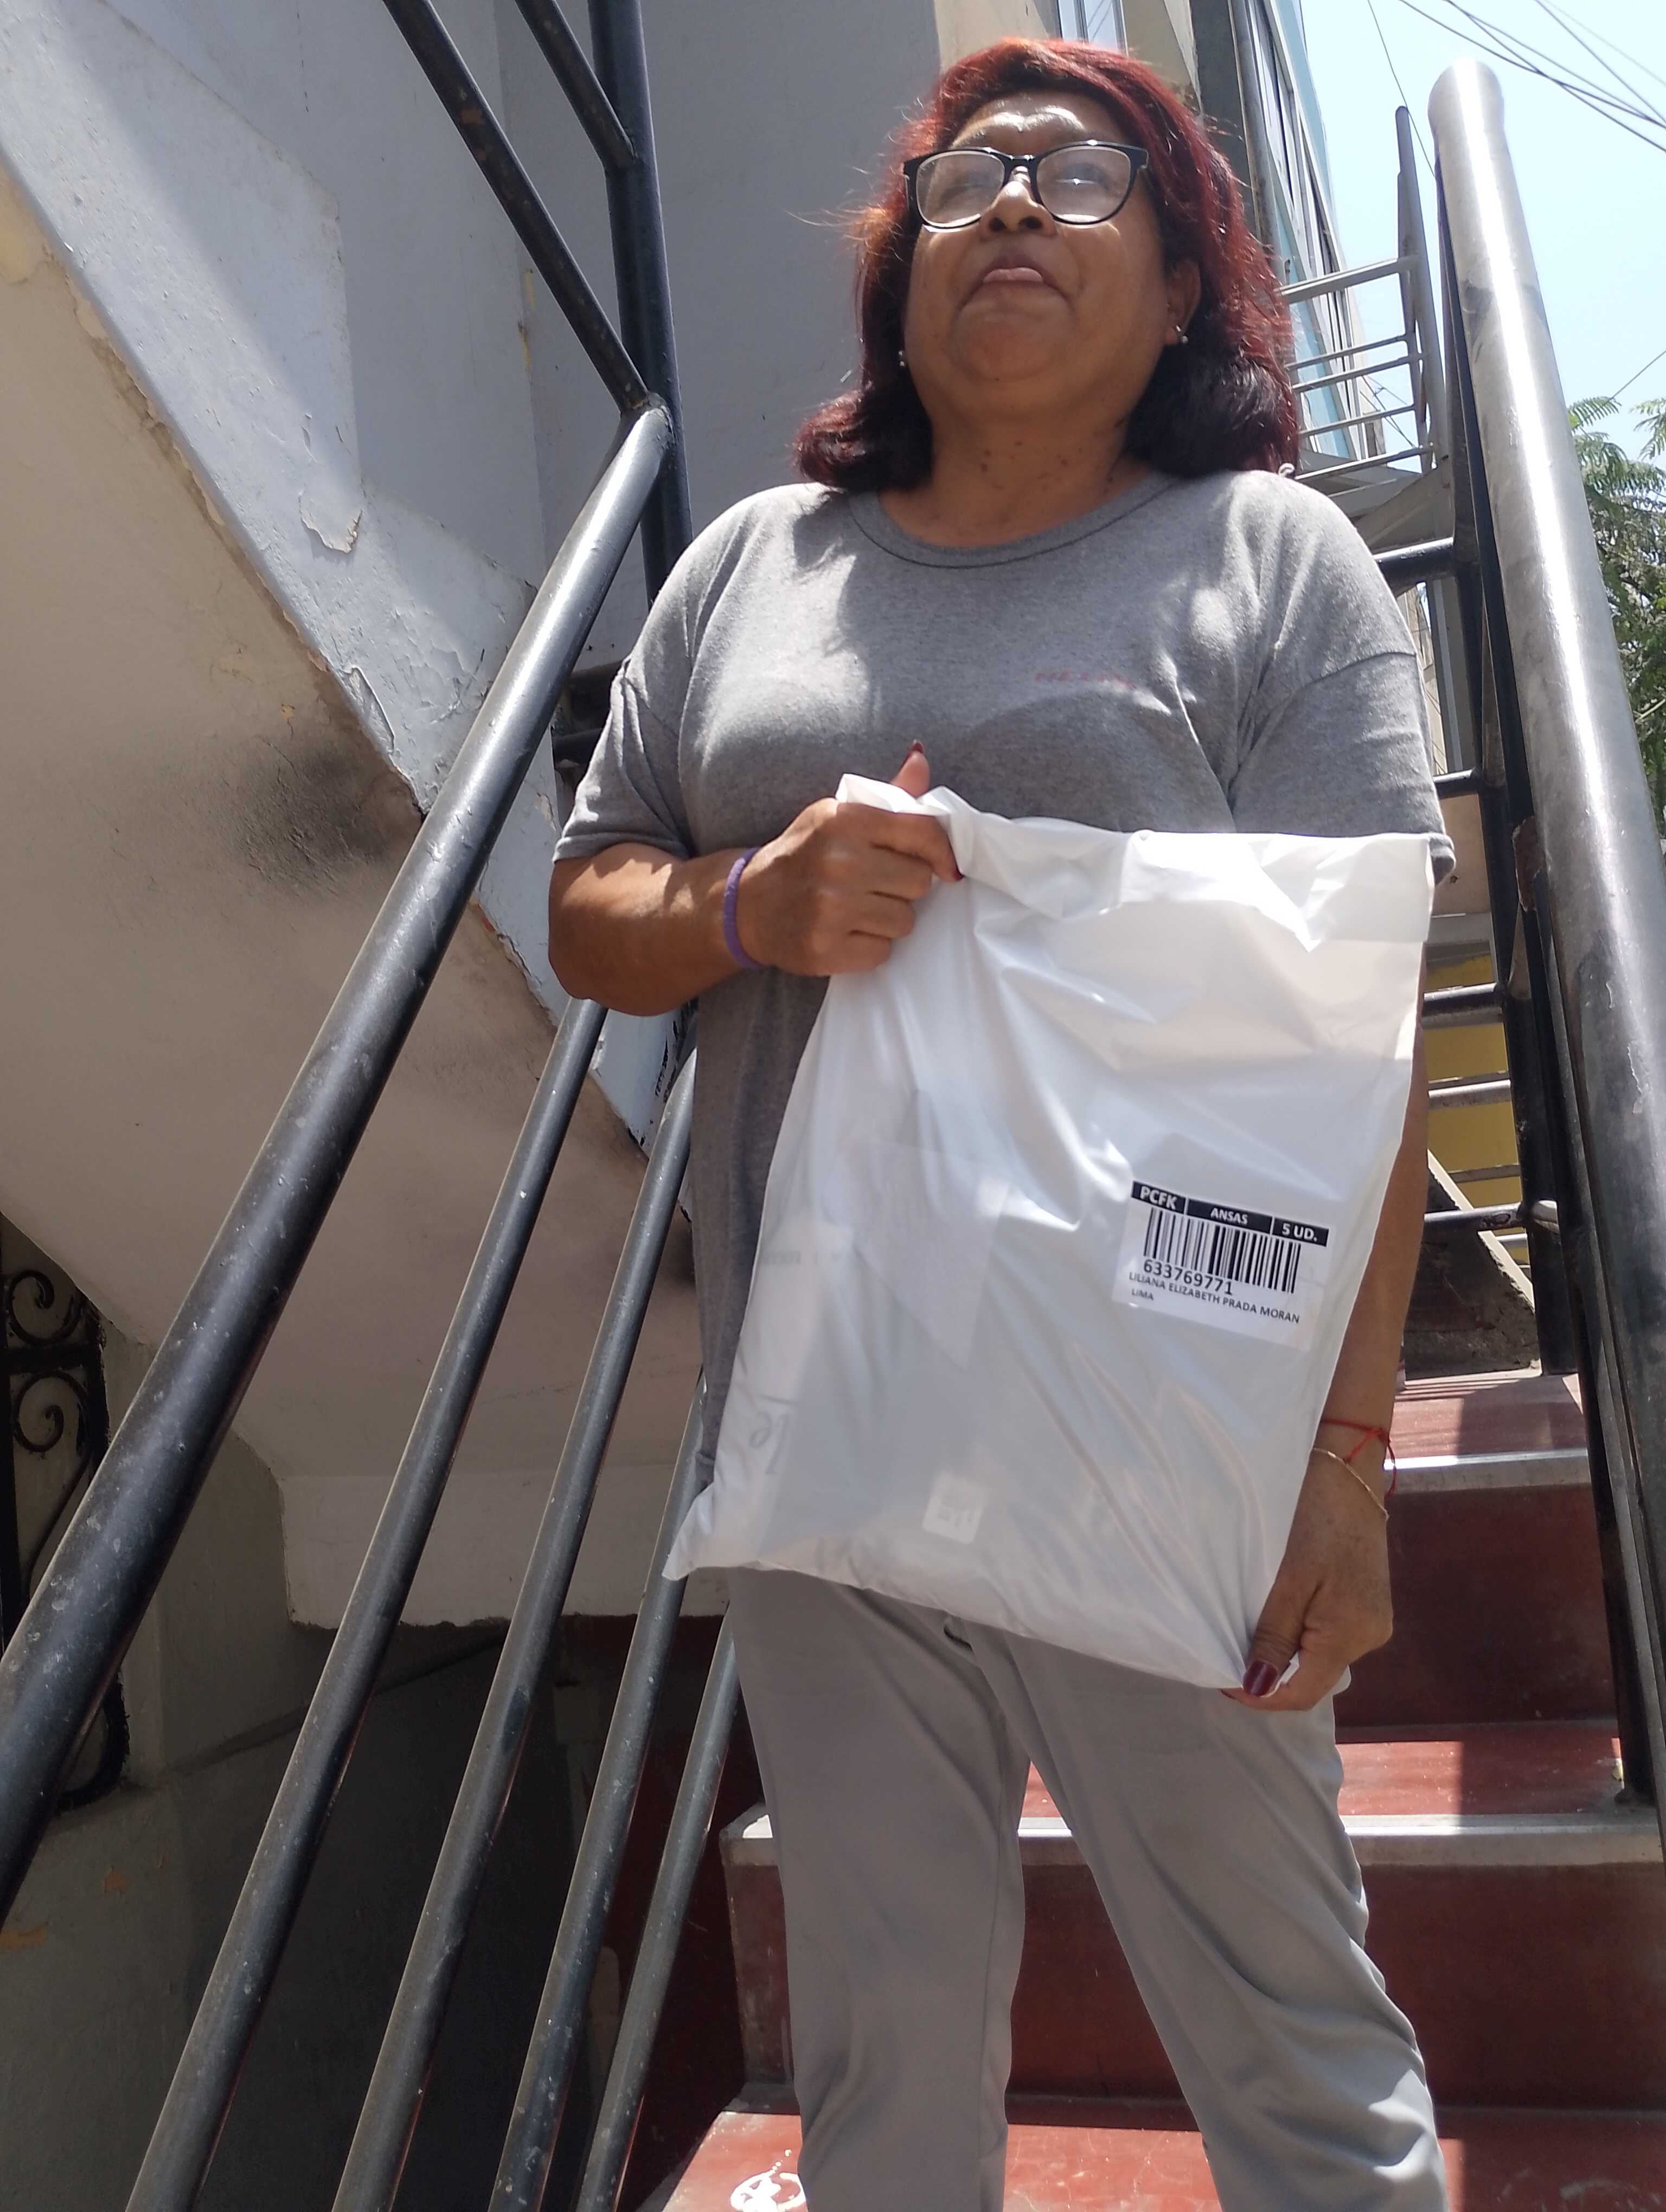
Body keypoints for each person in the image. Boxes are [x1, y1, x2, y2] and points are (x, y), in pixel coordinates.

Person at [548, 36, 1452, 2211]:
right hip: (823, 1429)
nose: (1017, 204)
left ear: (1183, 283)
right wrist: (752, 904)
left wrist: (1343, 1460)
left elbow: (1367, 1035)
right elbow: (592, 908)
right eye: (966, 179)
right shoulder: (749, 569)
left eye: (1082, 175)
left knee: (1295, 2046)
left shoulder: (1275, 563)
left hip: (1168, 1428)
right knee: (882, 2069)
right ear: (903, 275)